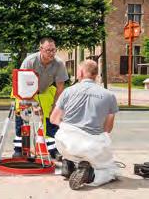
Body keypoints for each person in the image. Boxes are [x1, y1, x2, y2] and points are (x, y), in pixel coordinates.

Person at [50, 60, 119, 190]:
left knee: (66, 140)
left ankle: (68, 164)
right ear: (96, 74)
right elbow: (107, 129)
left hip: (67, 143)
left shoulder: (68, 92)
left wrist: (67, 127)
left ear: (81, 73)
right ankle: (90, 175)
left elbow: (54, 119)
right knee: (110, 171)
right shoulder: (109, 96)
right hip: (93, 146)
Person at [12, 37, 69, 159]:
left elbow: (60, 88)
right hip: (24, 91)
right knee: (22, 117)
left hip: (44, 91)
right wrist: (33, 104)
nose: (52, 53)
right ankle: (19, 149)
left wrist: (55, 107)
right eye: (48, 50)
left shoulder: (58, 64)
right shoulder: (30, 61)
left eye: (54, 50)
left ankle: (53, 149)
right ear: (41, 49)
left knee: (52, 118)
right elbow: (21, 84)